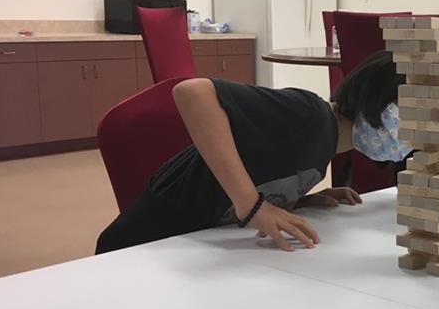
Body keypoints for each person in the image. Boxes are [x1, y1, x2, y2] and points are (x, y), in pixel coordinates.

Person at [96, 50, 410, 254]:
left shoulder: (324, 146)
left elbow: (261, 162)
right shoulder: (310, 114)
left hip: (195, 249)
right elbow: (192, 93)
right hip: (140, 250)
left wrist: (293, 201)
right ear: (378, 100)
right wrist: (252, 205)